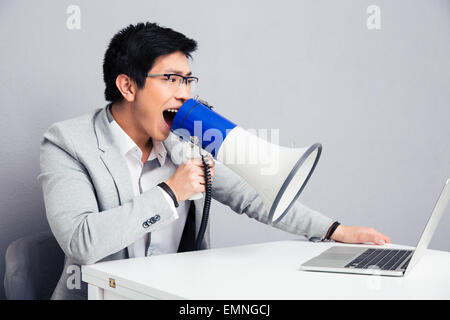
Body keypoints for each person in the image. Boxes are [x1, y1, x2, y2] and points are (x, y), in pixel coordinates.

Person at [38, 22, 390, 300]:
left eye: (187, 80)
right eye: (171, 79)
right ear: (128, 87)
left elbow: (254, 196)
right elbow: (81, 242)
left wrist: (335, 230)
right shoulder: (68, 142)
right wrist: (169, 193)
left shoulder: (185, 140)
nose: (184, 93)